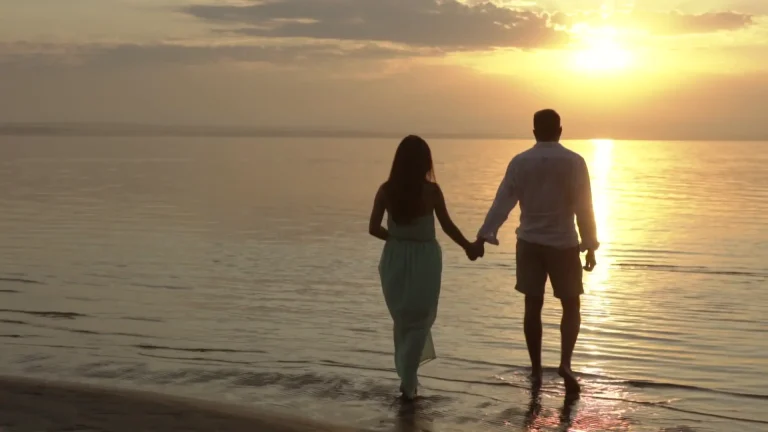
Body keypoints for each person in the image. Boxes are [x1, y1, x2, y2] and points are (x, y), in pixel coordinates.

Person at [474, 109, 599, 395]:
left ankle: (535, 369)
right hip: (564, 242)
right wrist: (589, 245)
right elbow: (584, 206)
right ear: (560, 130)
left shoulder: (520, 162)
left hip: (529, 242)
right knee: (571, 306)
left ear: (534, 132)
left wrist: (484, 236)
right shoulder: (575, 162)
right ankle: (565, 363)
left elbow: (502, 201)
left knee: (533, 305)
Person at [369, 135, 481, 400]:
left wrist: (397, 240)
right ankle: (409, 380)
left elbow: (373, 228)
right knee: (421, 319)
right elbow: (447, 226)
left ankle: (408, 378)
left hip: (395, 258)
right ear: (424, 163)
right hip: (425, 260)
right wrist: (468, 246)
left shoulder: (386, 190)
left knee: (404, 320)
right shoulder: (431, 191)